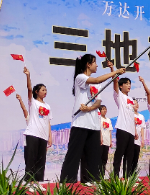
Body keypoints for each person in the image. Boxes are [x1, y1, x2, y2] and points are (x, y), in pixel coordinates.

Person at [60, 55, 124, 183]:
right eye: (95, 62)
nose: (97, 65)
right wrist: (115, 71)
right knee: (74, 154)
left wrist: (89, 109)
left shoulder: (98, 86)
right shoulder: (80, 78)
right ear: (88, 64)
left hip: (94, 124)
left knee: (93, 156)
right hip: (80, 123)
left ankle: (92, 180)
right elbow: (96, 80)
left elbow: (98, 102)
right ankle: (67, 182)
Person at [15, 67, 52, 182]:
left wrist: (50, 137)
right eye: (42, 90)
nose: (45, 92)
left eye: (46, 90)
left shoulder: (48, 106)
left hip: (43, 136)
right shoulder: (33, 103)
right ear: (37, 92)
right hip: (32, 134)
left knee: (41, 161)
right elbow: (29, 89)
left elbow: (48, 122)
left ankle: (38, 182)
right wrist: (28, 75)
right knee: (31, 160)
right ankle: (29, 182)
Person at [99, 105, 113, 178]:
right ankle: (98, 174)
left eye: (105, 109)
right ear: (100, 111)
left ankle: (103, 174)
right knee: (99, 158)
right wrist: (100, 138)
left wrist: (110, 141)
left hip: (107, 141)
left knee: (105, 159)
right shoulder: (99, 119)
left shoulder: (108, 120)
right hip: (101, 141)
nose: (104, 110)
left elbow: (110, 131)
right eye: (103, 109)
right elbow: (99, 129)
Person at [132, 103, 145, 174]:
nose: (136, 105)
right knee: (130, 157)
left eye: (137, 104)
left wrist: (142, 139)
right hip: (131, 139)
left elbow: (142, 128)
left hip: (138, 140)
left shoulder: (141, 116)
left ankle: (134, 175)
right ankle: (129, 175)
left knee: (136, 158)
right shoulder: (130, 115)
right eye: (134, 104)